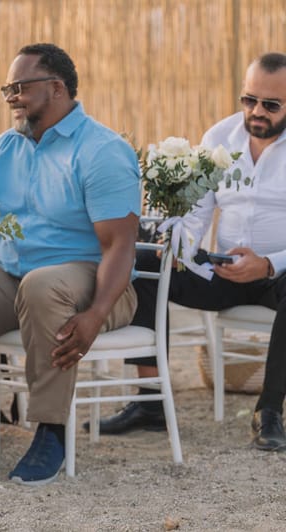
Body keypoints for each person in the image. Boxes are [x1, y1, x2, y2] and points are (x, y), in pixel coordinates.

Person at [0, 43, 140, 486]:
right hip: (13, 274)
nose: (11, 97)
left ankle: (51, 430)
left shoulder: (102, 151)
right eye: (6, 89)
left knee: (41, 286)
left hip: (94, 279)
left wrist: (94, 315)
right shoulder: (3, 149)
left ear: (56, 88)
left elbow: (120, 247)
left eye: (19, 87)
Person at [92, 52, 286, 451]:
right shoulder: (220, 138)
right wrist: (180, 245)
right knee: (146, 262)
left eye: (270, 104)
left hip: (279, 273)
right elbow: (198, 212)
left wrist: (268, 265)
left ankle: (268, 413)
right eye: (248, 99)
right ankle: (149, 402)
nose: (256, 112)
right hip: (224, 269)